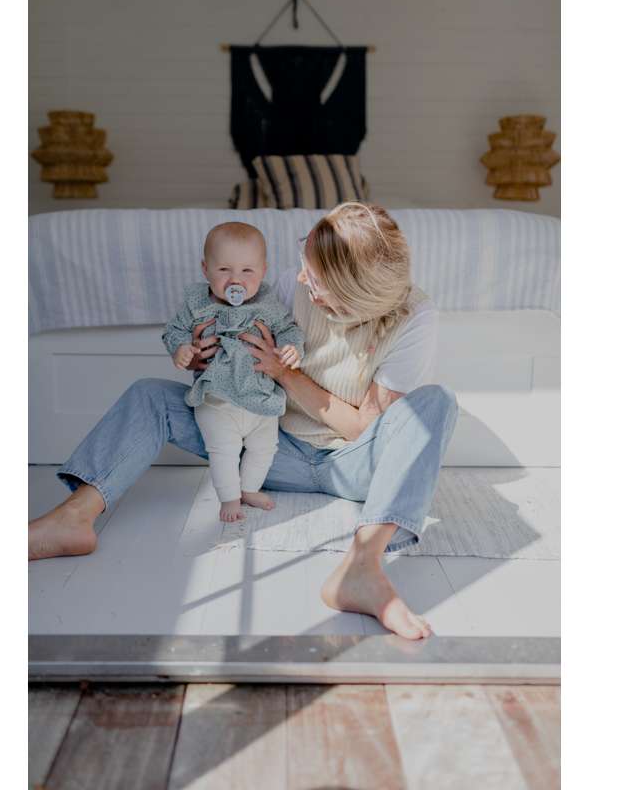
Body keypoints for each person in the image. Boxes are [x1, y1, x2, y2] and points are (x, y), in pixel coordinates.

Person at [28, 203, 458, 641]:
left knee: (437, 403)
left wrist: (284, 373)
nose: (300, 278)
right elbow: (238, 360)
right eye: (304, 264)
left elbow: (364, 430)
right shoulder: (291, 286)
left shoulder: (415, 318)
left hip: (351, 464)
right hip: (270, 446)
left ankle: (362, 568)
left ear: (353, 296)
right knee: (150, 396)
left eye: (314, 279)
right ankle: (74, 517)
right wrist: (205, 359)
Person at [163, 222, 304, 522]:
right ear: (206, 269)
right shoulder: (197, 304)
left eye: (247, 271)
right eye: (224, 270)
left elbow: (287, 328)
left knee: (265, 448)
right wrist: (181, 348)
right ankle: (229, 498)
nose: (235, 280)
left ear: (263, 271)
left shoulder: (267, 303)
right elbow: (174, 330)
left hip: (260, 397)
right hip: (217, 399)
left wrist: (292, 347)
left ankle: (249, 489)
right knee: (223, 451)